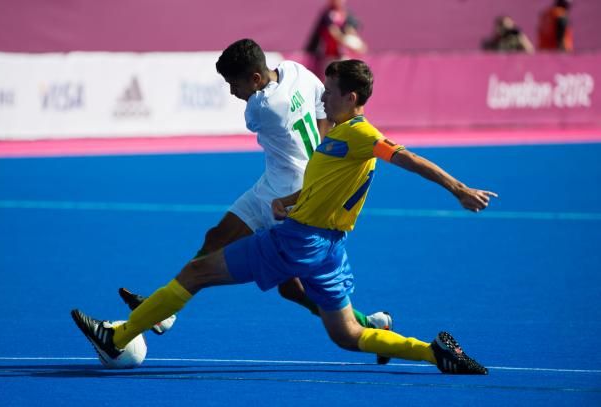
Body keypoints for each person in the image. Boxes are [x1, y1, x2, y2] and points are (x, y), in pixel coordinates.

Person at [72, 58, 497, 374]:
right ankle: (435, 352)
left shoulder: (363, 134)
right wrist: (292, 200)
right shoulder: (337, 135)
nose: (323, 97)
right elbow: (331, 184)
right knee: (347, 335)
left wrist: (458, 189)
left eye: (330, 93)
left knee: (197, 272)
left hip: (298, 242)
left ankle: (117, 338)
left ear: (350, 98)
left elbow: (406, 157)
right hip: (328, 250)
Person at [118, 39, 395, 364]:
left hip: (285, 195)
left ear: (255, 79)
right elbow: (322, 106)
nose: (233, 93)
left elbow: (271, 110)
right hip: (272, 184)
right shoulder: (297, 71)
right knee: (218, 238)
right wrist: (321, 146)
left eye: (234, 85)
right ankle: (166, 315)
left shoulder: (261, 109)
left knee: (292, 288)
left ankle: (367, 328)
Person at [305, 0, 367, 79]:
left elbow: (351, 31)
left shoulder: (347, 14)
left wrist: (358, 44)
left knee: (346, 82)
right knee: (330, 83)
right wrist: (346, 42)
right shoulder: (327, 14)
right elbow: (333, 32)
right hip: (330, 58)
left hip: (343, 57)